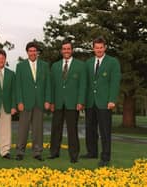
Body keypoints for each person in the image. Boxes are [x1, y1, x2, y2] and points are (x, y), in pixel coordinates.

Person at [81, 36, 121, 167]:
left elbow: (115, 83)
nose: (99, 50)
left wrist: (112, 100)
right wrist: (83, 100)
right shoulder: (88, 63)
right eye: (96, 47)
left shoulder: (113, 62)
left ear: (105, 48)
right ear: (93, 48)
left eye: (101, 47)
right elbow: (85, 84)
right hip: (90, 102)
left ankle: (105, 157)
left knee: (104, 130)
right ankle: (92, 152)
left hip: (105, 102)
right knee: (90, 129)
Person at [48, 39, 86, 163]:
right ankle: (54, 153)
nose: (66, 51)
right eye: (64, 49)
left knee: (72, 130)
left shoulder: (80, 65)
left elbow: (82, 85)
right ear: (61, 51)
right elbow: (51, 86)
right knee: (55, 129)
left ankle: (74, 156)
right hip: (58, 103)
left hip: (73, 103)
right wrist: (52, 101)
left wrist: (80, 101)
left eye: (68, 49)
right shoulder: (55, 66)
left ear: (72, 50)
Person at [15, 41, 51, 161]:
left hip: (39, 102)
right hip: (25, 102)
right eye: (30, 51)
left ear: (37, 53)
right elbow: (18, 86)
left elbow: (47, 85)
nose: (32, 53)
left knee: (38, 129)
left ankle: (37, 152)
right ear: (27, 52)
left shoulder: (44, 65)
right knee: (23, 129)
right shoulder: (20, 66)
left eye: (34, 51)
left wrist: (47, 100)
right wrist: (19, 101)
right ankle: (20, 151)